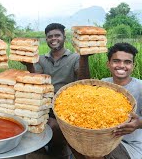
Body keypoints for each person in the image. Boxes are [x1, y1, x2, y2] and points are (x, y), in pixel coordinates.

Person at [23, 23, 90, 158]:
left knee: (55, 130)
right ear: (46, 39)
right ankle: (39, 152)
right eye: (50, 36)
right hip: (44, 106)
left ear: (64, 37)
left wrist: (84, 57)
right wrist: (29, 65)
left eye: (57, 35)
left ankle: (59, 152)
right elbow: (37, 81)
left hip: (66, 107)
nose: (54, 39)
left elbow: (84, 81)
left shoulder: (76, 58)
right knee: (31, 132)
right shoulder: (41, 58)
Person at [73, 42, 142, 159]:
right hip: (104, 139)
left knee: (95, 151)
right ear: (108, 64)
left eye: (127, 62)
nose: (121, 65)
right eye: (116, 61)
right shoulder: (103, 84)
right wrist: (83, 57)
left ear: (133, 66)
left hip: (131, 146)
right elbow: (85, 96)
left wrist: (138, 123)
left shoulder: (140, 87)